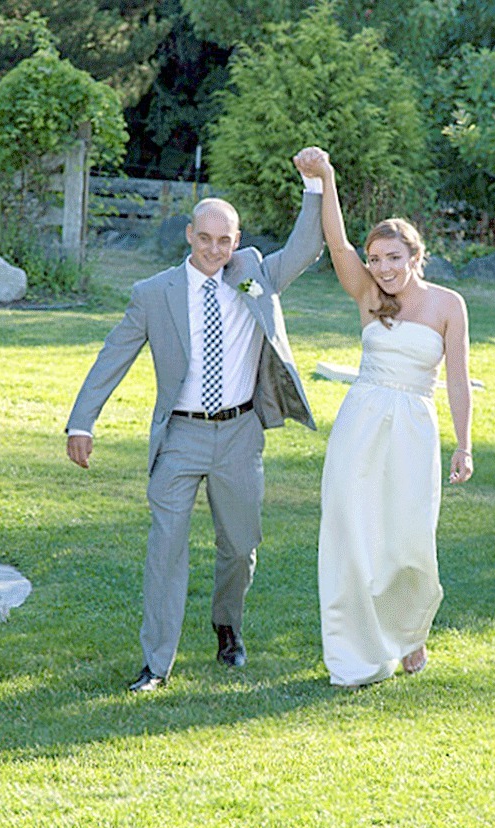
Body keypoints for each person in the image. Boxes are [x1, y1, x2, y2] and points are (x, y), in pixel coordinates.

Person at [66, 156, 324, 692]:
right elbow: (112, 357)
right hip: (180, 437)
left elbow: (306, 247)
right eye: (204, 238)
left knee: (240, 546)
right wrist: (81, 423)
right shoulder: (152, 294)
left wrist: (314, 185)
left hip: (239, 434)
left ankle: (227, 626)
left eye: (224, 240)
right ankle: (156, 664)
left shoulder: (256, 275)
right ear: (189, 234)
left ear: (236, 241)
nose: (213, 249)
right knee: (166, 547)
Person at [293, 146, 473, 688]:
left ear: (416, 257)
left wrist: (464, 445)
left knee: (408, 535)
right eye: (376, 259)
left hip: (414, 428)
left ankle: (409, 631)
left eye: (394, 258)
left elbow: (459, 380)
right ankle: (355, 652)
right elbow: (336, 241)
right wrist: (325, 178)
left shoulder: (448, 305)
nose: (384, 268)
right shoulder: (368, 294)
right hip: (362, 423)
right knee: (351, 529)